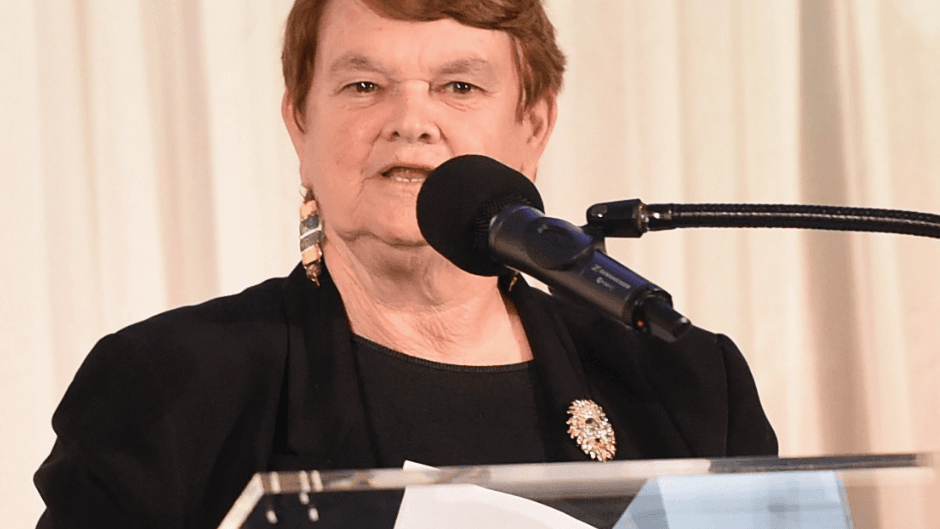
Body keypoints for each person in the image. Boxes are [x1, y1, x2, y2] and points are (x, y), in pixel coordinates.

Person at [34, 0, 777, 527]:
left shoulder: (687, 385)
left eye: (460, 86)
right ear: (299, 123)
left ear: (533, 125)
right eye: (364, 85)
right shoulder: (166, 387)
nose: (411, 121)